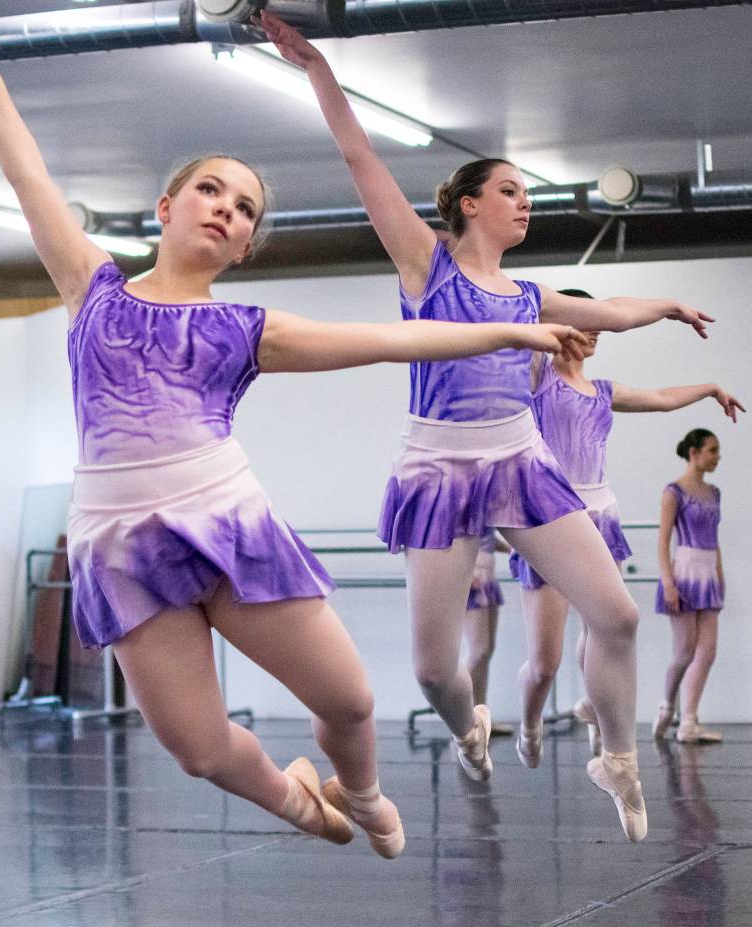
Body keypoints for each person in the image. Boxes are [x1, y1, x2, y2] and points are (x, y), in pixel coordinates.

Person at [0, 17, 586, 858]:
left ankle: (362, 791)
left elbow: (390, 340)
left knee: (347, 700)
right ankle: (303, 806)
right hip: (123, 544)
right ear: (167, 207)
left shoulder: (248, 327)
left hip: (225, 522)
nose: (226, 210)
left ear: (241, 249)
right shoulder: (92, 289)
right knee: (196, 747)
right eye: (212, 191)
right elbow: (26, 177)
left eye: (244, 211)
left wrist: (509, 333)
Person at [259, 12, 715, 841]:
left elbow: (607, 309)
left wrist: (667, 305)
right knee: (436, 668)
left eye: (527, 195)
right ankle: (468, 725)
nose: (524, 205)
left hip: (518, 460)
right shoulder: (424, 266)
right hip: (438, 469)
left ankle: (615, 758)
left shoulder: (528, 294)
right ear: (469, 203)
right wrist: (318, 69)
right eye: (510, 190)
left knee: (614, 615)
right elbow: (361, 159)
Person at [508, 290, 742, 765]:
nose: (594, 330)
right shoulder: (535, 376)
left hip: (601, 518)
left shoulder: (603, 392)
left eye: (597, 323)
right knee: (545, 663)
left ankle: (595, 706)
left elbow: (659, 398)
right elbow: (524, 318)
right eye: (584, 321)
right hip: (551, 519)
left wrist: (710, 388)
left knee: (607, 627)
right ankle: (530, 721)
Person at [655, 429, 727, 743]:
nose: (717, 456)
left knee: (707, 652)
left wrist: (720, 576)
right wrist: (668, 582)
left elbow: (715, 539)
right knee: (684, 652)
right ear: (694, 453)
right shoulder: (674, 491)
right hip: (684, 571)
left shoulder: (714, 493)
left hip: (708, 572)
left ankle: (688, 722)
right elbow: (663, 541)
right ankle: (667, 706)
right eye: (712, 450)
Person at [464, 529, 513, 736]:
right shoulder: (459, 500)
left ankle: (480, 718)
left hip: (486, 574)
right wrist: (464, 571)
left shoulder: (482, 502)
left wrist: (514, 548)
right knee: (478, 651)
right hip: (471, 572)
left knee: (486, 652)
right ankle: (463, 722)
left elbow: (487, 536)